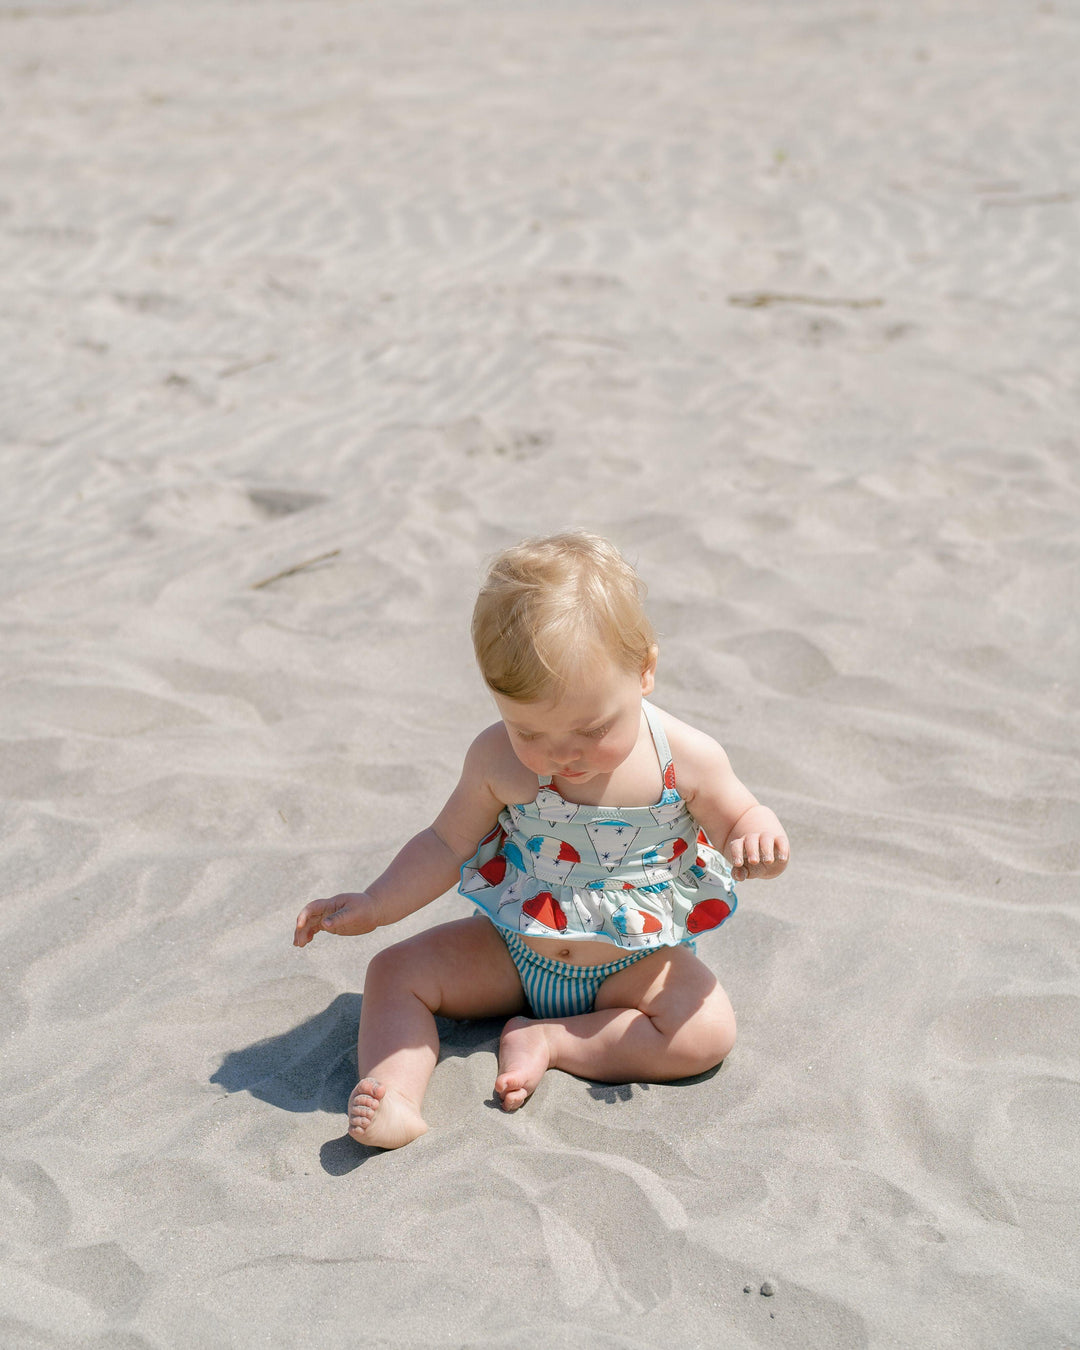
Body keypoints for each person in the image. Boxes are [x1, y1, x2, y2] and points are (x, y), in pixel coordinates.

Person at [293, 532, 789, 1149]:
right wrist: (376, 904)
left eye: (591, 729)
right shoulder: (497, 759)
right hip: (513, 949)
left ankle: (557, 1043)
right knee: (393, 971)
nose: (562, 755)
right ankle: (395, 1092)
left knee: (706, 1032)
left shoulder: (683, 758)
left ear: (646, 671)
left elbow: (739, 813)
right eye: (530, 730)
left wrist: (757, 837)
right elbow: (446, 843)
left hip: (631, 966)